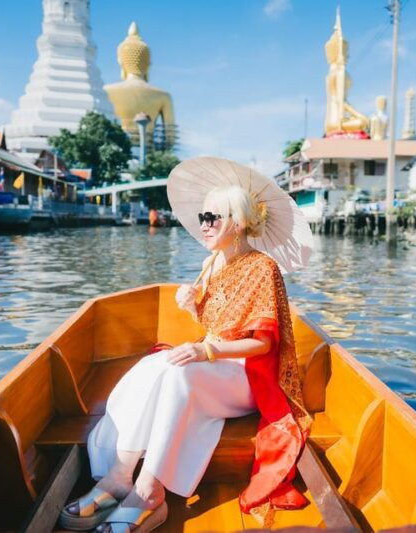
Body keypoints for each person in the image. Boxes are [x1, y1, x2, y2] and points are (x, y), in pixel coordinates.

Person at [59, 184, 310, 532]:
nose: (204, 225)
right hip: (217, 366)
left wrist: (204, 350)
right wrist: (194, 308)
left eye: (213, 217)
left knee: (180, 374)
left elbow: (262, 345)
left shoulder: (261, 268)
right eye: (202, 217)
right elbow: (218, 324)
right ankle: (118, 476)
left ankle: (149, 491)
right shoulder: (214, 264)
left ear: (237, 223)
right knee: (152, 366)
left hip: (245, 375)